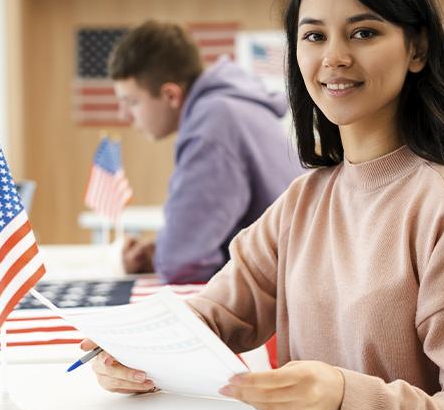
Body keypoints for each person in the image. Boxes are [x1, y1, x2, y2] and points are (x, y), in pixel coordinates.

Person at [84, 0, 444, 410]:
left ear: (418, 49)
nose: (334, 57)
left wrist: (343, 395)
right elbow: (219, 310)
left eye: (364, 32)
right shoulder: (306, 200)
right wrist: (129, 350)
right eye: (314, 36)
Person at [108, 21, 303, 284]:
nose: (125, 116)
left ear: (170, 95)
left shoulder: (212, 124)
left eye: (132, 102)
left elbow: (181, 263)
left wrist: (167, 256)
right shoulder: (232, 106)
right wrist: (158, 255)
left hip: (286, 291)